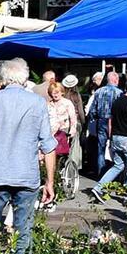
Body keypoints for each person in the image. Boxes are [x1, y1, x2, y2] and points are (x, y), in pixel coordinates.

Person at [0, 59, 55, 254]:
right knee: (23, 232)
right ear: (25, 78)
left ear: (4, 78)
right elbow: (48, 145)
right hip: (25, 176)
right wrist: (50, 182)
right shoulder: (37, 103)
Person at [89, 74, 127, 199]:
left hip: (115, 137)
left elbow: (110, 121)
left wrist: (111, 136)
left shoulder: (117, 102)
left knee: (118, 165)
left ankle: (99, 187)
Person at [43, 80, 78, 208]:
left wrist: (72, 132)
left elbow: (73, 119)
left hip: (62, 133)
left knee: (56, 157)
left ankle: (52, 180)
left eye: (57, 92)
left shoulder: (67, 103)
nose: (55, 95)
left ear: (62, 92)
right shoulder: (48, 104)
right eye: (52, 93)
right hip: (48, 133)